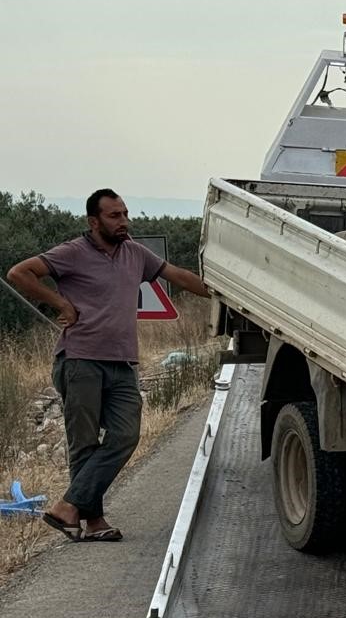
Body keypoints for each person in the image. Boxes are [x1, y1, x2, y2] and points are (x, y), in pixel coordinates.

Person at [5, 188, 209, 542]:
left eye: (125, 214)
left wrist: (223, 292)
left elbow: (178, 275)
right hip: (80, 359)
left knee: (126, 435)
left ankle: (67, 507)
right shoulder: (72, 252)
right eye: (115, 216)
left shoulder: (135, 254)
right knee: (83, 443)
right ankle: (93, 523)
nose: (124, 222)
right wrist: (60, 303)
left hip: (123, 362)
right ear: (93, 221)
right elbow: (19, 273)